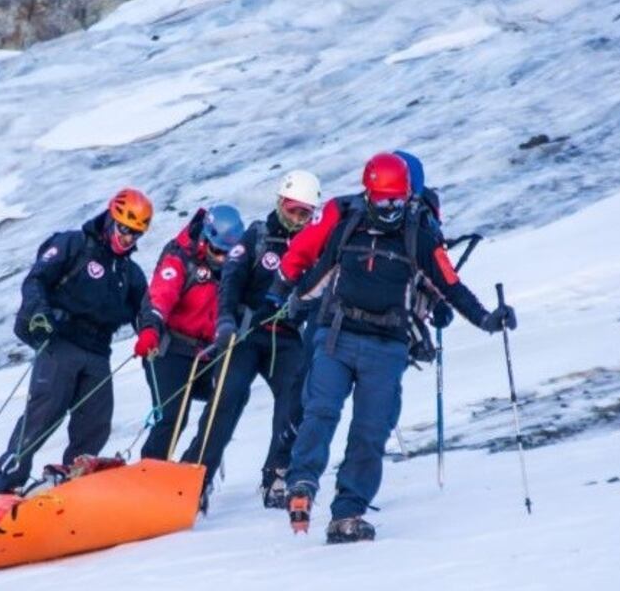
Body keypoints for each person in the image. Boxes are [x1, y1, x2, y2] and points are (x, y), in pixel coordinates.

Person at [269, 152, 516, 543]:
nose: (389, 210)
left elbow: (448, 284)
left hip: (386, 347)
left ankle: (347, 514)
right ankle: (301, 484)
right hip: (337, 336)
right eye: (382, 201)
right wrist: (290, 298)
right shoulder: (348, 223)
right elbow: (322, 272)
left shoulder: (419, 232)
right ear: (368, 194)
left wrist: (487, 319)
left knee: (370, 430)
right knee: (321, 410)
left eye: (397, 202)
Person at [0, 188, 154, 527]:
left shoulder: (130, 274)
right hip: (60, 343)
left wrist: (149, 331)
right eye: (123, 228)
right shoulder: (73, 244)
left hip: (98, 354)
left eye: (135, 233)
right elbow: (36, 280)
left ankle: (74, 487)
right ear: (110, 219)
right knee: (42, 417)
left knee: (95, 424)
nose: (127, 237)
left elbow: (144, 310)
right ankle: (0, 492)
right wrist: (38, 312)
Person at [180, 171, 322, 510]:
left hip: (286, 337)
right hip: (246, 333)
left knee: (294, 401)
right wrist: (226, 320)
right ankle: (195, 478)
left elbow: (318, 291)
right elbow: (231, 277)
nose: (296, 219)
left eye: (304, 213)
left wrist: (301, 306)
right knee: (225, 401)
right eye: (292, 210)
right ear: (280, 203)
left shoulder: (314, 248)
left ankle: (277, 474)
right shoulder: (257, 235)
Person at [134, 205, 245, 494]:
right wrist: (150, 329)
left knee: (231, 396)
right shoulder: (179, 258)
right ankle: (147, 482)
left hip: (207, 353)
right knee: (173, 414)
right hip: (170, 348)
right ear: (205, 239)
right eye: (218, 252)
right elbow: (160, 296)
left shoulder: (234, 267)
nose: (222, 259)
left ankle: (195, 471)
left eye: (228, 254)